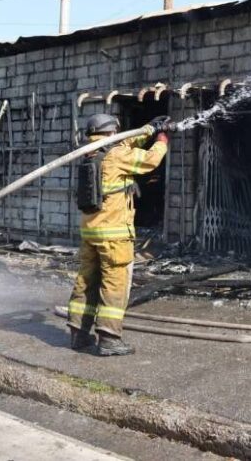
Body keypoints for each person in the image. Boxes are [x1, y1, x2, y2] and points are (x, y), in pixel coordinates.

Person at [68, 114, 170, 356]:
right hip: (113, 235)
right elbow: (150, 160)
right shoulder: (117, 156)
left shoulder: (91, 153)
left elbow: (124, 143)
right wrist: (162, 139)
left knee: (86, 282)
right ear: (112, 132)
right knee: (114, 284)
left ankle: (79, 335)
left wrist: (148, 128)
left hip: (90, 231)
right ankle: (109, 338)